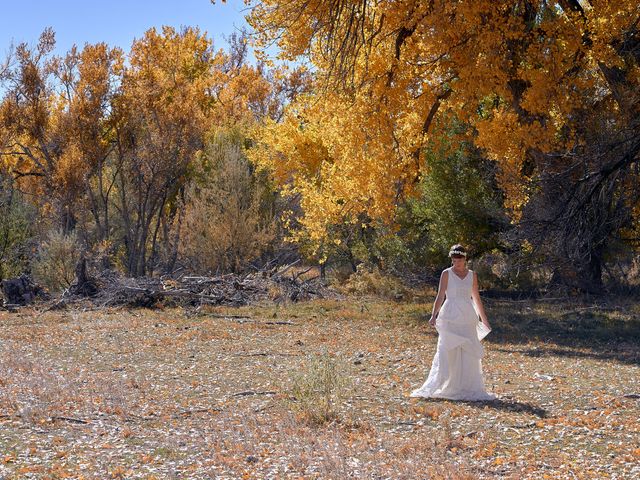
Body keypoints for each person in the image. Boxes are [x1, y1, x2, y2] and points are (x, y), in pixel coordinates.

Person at [410, 244, 496, 401]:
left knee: (468, 351)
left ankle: (466, 386)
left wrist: (484, 319)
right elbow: (440, 295)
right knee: (447, 349)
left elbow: (476, 298)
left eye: (460, 260)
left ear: (465, 259)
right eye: (454, 260)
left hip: (468, 316)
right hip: (450, 314)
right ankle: (446, 383)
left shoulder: (472, 275)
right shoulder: (446, 273)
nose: (457, 263)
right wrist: (433, 315)